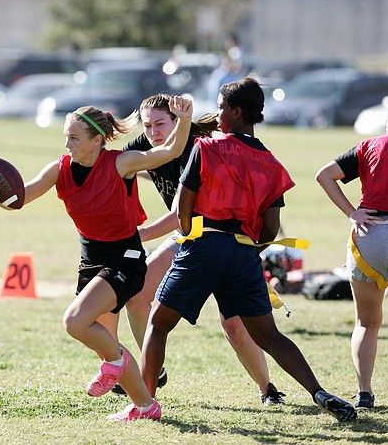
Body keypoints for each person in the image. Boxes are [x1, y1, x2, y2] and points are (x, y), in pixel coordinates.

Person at [138, 77, 357, 422]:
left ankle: (144, 405)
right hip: (243, 253)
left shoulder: (207, 147)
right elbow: (270, 228)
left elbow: (183, 208)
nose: (218, 114)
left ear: (237, 112)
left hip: (203, 245)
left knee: (158, 323)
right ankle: (319, 391)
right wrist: (246, 251)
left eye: (222, 108)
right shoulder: (271, 163)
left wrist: (191, 235)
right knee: (269, 335)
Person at [0, 97, 193, 422]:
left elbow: (167, 153)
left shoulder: (120, 163)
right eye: (66, 136)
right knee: (106, 341)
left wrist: (184, 119)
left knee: (75, 322)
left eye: (74, 137)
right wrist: (0, 193)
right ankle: (146, 406)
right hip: (92, 260)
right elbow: (20, 198)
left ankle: (115, 365)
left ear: (97, 140)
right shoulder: (60, 167)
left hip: (125, 259)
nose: (67, 144)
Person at [107, 93, 285, 406]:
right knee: (137, 295)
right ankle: (153, 370)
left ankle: (267, 388)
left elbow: (181, 214)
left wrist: (139, 233)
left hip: (216, 237)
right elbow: (115, 171)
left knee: (234, 326)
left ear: (178, 122)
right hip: (185, 237)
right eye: (147, 126)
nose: (153, 132)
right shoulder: (143, 145)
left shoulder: (198, 147)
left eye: (160, 124)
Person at [315, 115, 388, 409]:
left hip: (368, 236)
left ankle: (364, 394)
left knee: (366, 323)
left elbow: (323, 175)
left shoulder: (368, 146)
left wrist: (351, 212)